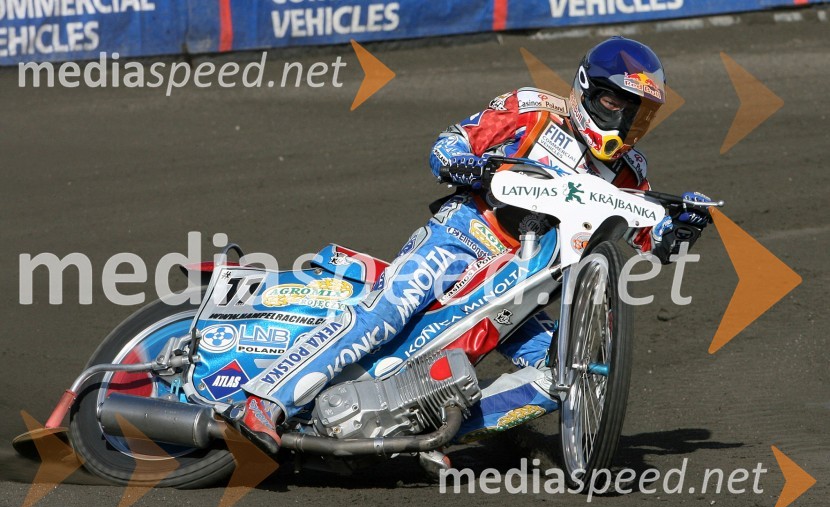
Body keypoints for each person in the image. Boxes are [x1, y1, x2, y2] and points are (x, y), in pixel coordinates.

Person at [221, 36, 711, 456]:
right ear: (589, 90)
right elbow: (449, 145)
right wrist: (471, 166)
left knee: (559, 372)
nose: (627, 121)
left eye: (640, 113)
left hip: (526, 282)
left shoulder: (632, 172)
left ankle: (438, 437)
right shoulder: (533, 109)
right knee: (386, 313)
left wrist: (680, 228)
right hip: (463, 234)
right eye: (618, 105)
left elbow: (646, 241)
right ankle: (264, 401)